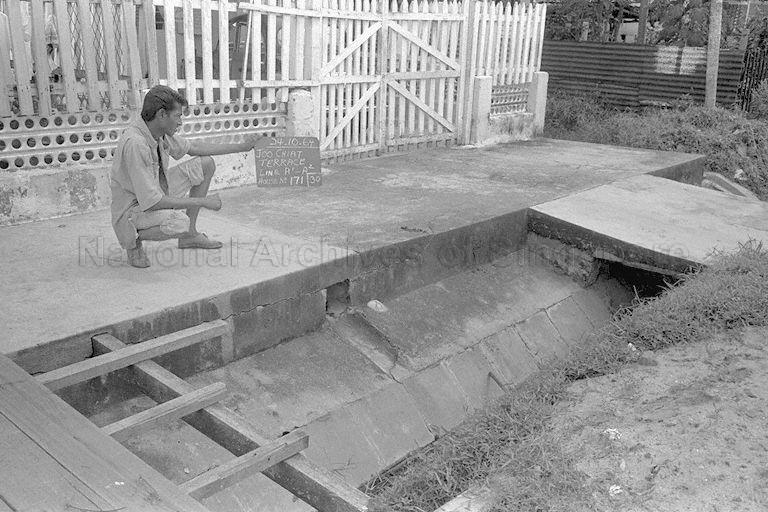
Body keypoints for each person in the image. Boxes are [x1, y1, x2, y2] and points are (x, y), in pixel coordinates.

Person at [110, 86, 268, 268]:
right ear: (162, 114)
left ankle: (189, 236)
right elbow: (153, 202)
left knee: (205, 164)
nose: (180, 122)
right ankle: (132, 239)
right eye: (177, 116)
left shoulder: (157, 131)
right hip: (133, 209)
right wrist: (203, 202)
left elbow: (196, 149)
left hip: (155, 191)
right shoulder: (136, 144)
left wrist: (244, 146)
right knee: (179, 222)